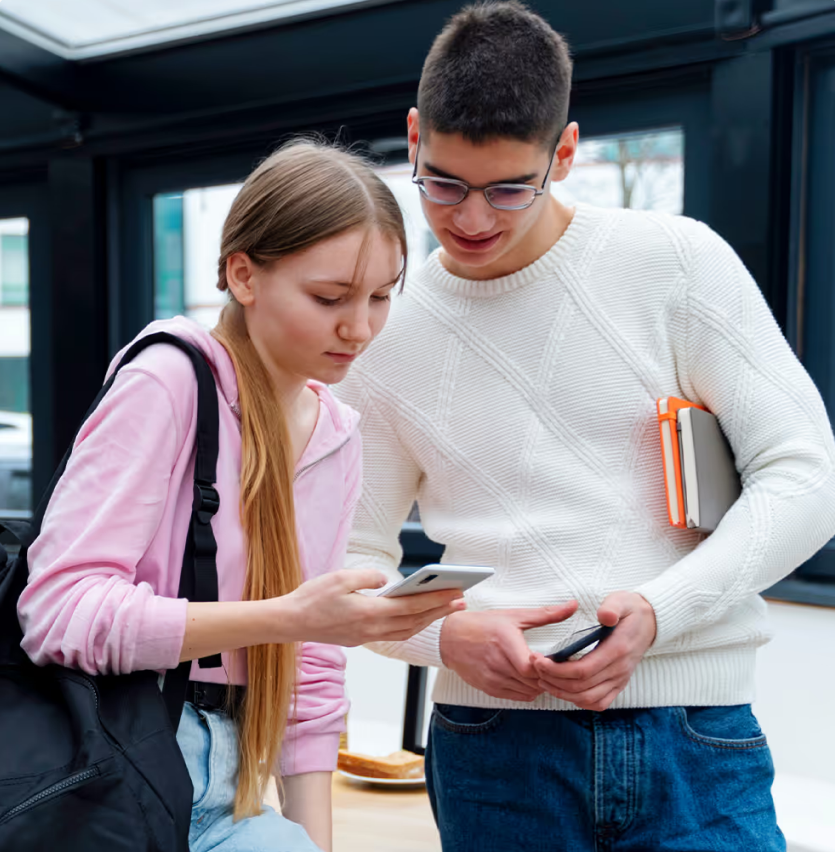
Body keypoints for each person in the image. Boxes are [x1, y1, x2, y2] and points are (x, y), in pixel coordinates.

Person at [334, 3, 835, 850]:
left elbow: (806, 477)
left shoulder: (676, 263)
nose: (471, 219)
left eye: (508, 188)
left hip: (695, 733)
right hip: (492, 752)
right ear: (414, 138)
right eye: (443, 182)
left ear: (564, 152)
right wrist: (442, 635)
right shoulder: (382, 329)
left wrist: (659, 609)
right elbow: (346, 559)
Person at [16, 140, 465, 852]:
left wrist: (313, 842)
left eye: (381, 297)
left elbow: (310, 671)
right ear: (242, 275)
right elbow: (58, 611)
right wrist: (284, 616)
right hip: (108, 780)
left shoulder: (336, 433)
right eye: (329, 298)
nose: (359, 327)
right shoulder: (167, 383)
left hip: (231, 787)